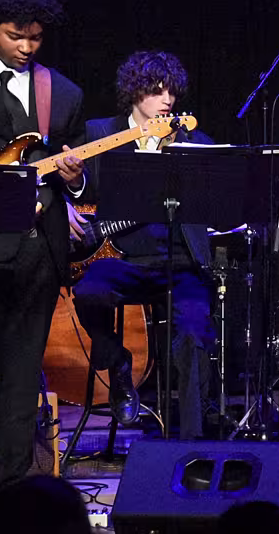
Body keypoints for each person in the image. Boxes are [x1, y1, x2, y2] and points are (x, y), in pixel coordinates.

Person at [0, 0, 84, 514]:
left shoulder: (66, 92)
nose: (26, 47)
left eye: (34, 37)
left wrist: (77, 178)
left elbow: (76, 170)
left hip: (37, 251)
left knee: (20, 381)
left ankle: (10, 497)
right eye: (15, 36)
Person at [71, 50, 215, 440]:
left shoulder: (194, 140)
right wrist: (73, 183)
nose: (167, 99)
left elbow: (220, 202)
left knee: (193, 330)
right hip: (124, 258)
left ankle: (192, 442)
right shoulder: (102, 133)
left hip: (181, 262)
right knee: (89, 292)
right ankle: (118, 362)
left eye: (172, 91)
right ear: (135, 92)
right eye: (157, 90)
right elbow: (85, 191)